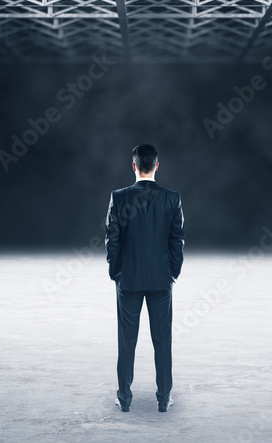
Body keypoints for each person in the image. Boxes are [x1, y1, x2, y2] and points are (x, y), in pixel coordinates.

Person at [105, 144, 185, 413]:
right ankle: (164, 399)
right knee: (163, 341)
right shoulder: (172, 198)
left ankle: (124, 399)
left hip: (128, 280)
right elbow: (177, 241)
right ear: (157, 166)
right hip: (161, 280)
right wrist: (172, 272)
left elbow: (112, 241)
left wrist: (115, 272)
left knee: (126, 341)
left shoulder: (119, 197)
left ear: (134, 166)